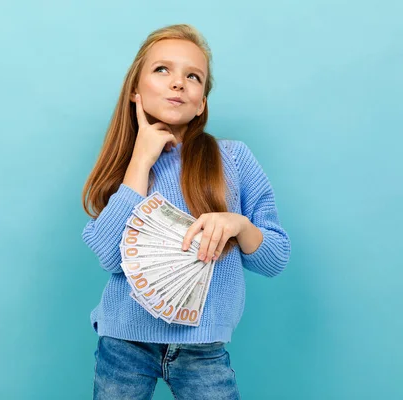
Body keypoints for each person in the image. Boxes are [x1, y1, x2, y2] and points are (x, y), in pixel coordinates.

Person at [81, 23, 291, 400]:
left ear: (201, 103)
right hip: (124, 342)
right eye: (162, 70)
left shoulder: (234, 159)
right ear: (135, 90)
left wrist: (238, 225)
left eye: (193, 77)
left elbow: (275, 259)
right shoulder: (123, 166)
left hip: (203, 348)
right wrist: (140, 163)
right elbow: (111, 257)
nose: (178, 83)